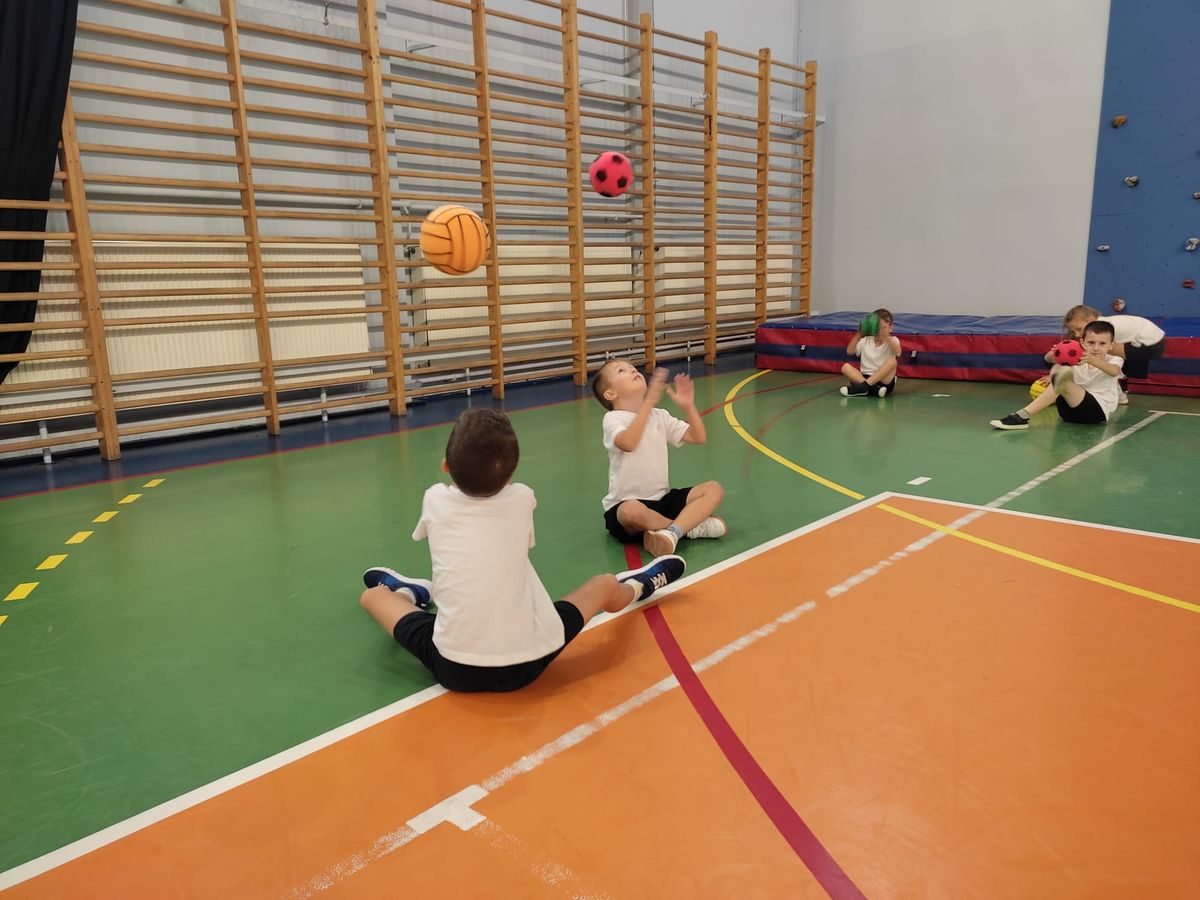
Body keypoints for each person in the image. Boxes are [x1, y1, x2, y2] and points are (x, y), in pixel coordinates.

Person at [358, 407, 685, 693]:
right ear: (512, 473)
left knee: (372, 596)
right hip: (530, 660)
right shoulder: (522, 498)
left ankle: (411, 593)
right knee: (604, 585)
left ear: (445, 466)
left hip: (454, 667)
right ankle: (639, 586)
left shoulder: (433, 498)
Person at [591, 360, 726, 558]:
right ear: (611, 394)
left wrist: (688, 406)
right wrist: (648, 403)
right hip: (626, 505)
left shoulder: (660, 415)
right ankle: (685, 528)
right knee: (631, 511)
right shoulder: (613, 418)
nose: (632, 371)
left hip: (661, 500)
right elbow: (628, 443)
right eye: (622, 371)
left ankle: (669, 533)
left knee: (714, 489)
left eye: (633, 368)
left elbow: (698, 437)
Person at [992, 320, 1123, 430]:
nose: (1096, 348)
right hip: (1068, 413)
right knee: (1059, 366)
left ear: (1111, 345)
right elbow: (1047, 358)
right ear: (1082, 342)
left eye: (1102, 343)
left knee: (1061, 379)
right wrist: (1056, 352)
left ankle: (1022, 416)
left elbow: (1114, 371)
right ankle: (1023, 416)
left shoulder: (1114, 360)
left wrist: (1091, 359)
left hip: (1095, 413)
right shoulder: (1075, 355)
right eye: (1091, 343)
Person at [1050, 305, 1166, 403]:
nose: (1076, 334)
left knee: (1098, 350)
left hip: (1151, 344)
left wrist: (1060, 372)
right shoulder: (1103, 323)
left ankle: (1117, 391)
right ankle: (1118, 390)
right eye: (1073, 331)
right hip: (1151, 341)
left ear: (1091, 319)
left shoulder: (1104, 327)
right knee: (1099, 349)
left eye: (1079, 329)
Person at [839, 308, 900, 398]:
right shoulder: (865, 340)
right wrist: (859, 334)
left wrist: (886, 336)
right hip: (863, 378)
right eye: (877, 328)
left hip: (884, 381)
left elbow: (898, 352)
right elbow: (850, 351)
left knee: (892, 361)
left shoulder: (893, 340)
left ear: (890, 328)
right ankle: (873, 390)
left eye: (884, 328)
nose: (879, 331)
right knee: (845, 367)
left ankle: (864, 387)